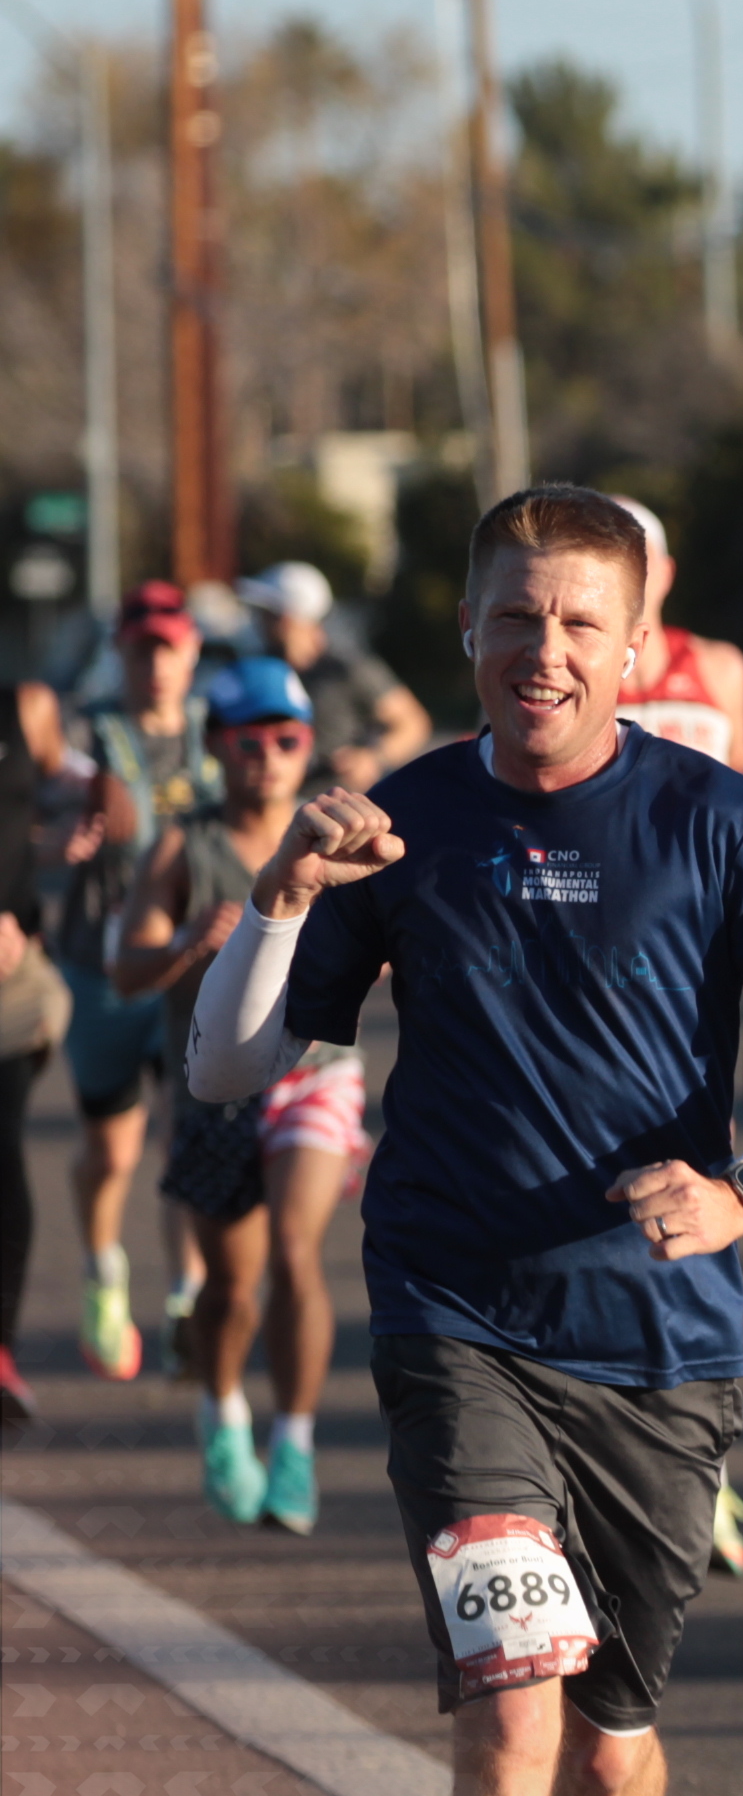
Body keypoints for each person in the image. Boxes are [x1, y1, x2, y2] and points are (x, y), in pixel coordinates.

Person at [186, 483, 743, 1796]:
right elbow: (228, 1070)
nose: (543, 651)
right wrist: (281, 898)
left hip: (655, 1344)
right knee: (510, 1722)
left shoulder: (717, 822)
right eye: (514, 616)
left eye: (578, 622)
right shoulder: (401, 824)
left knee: (612, 1751)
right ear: (467, 632)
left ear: (636, 646)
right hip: (454, 1320)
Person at [112, 658, 361, 1532]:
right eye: (248, 741)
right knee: (230, 1290)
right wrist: (186, 940)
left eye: (286, 739)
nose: (268, 757)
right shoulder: (184, 846)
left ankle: (294, 1443)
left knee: (296, 1254)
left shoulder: (339, 836)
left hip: (317, 1073)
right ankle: (222, 1416)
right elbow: (126, 970)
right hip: (213, 1088)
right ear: (217, 747)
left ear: (307, 745)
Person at [49, 582, 223, 1380]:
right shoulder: (84, 735)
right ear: (120, 652)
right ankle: (102, 1269)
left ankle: (188, 1298)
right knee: (112, 1152)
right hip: (103, 971)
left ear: (192, 653)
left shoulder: (218, 732)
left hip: (191, 966)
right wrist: (65, 825)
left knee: (187, 1138)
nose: (157, 665)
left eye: (170, 649)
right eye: (143, 649)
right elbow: (35, 796)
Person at [1, 683, 71, 1432]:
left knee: (3, 1147)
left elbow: (62, 779)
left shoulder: (26, 706)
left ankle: (1, 1349)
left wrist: (101, 793)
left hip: (10, 979)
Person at [237, 559, 433, 791]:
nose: (259, 621)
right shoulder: (260, 668)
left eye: (266, 613)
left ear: (287, 618)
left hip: (337, 804)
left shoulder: (347, 668)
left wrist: (372, 757)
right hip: (280, 804)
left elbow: (413, 723)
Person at [609, 496, 743, 771]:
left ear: (667, 572)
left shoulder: (721, 668)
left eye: (637, 555)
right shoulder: (572, 674)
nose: (625, 571)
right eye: (609, 557)